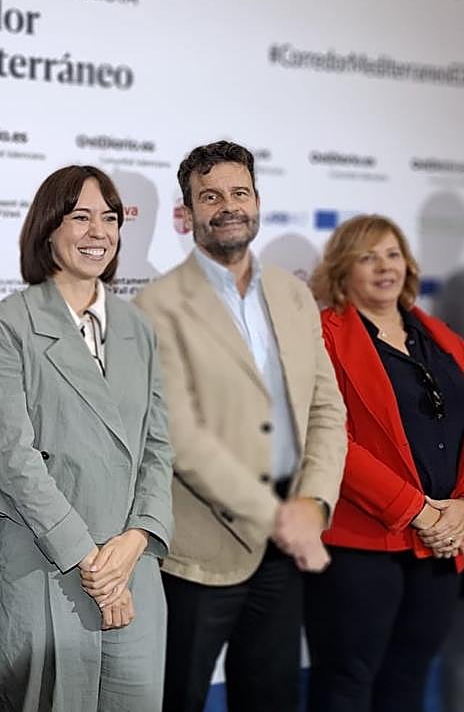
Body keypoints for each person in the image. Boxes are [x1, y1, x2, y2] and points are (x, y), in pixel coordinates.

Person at [134, 140, 347, 712]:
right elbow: (182, 437)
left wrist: (315, 504)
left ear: (257, 201)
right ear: (187, 215)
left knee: (271, 698)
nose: (228, 206)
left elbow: (327, 410)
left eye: (239, 192)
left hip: (284, 550)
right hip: (200, 555)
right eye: (210, 197)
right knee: (175, 698)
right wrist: (283, 520)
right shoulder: (157, 306)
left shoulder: (293, 294)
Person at [0, 165, 173, 711]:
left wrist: (136, 541)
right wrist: (93, 564)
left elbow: (158, 447)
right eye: (80, 217)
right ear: (48, 228)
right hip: (49, 567)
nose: (98, 232)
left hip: (134, 569)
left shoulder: (139, 327)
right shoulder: (9, 323)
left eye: (109, 218)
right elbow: (13, 458)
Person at [304, 214, 464, 711]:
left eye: (392, 254)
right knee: (347, 683)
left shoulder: (439, 336)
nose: (384, 267)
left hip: (442, 545)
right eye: (367, 257)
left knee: (409, 678)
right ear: (341, 269)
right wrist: (420, 511)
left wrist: (460, 508)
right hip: (361, 545)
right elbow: (329, 438)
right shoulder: (322, 337)